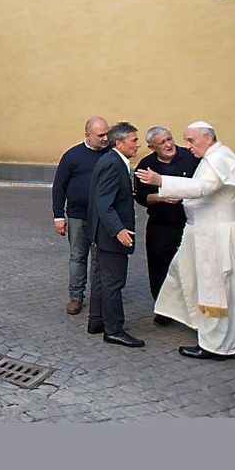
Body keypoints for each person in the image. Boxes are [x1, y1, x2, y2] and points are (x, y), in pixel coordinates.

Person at [135, 121, 235, 360]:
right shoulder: (213, 156)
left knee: (217, 288)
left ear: (208, 138)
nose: (186, 146)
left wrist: (161, 181)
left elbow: (204, 187)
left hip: (215, 236)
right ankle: (202, 327)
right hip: (204, 232)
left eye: (191, 140)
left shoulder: (217, 158)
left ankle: (217, 345)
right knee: (183, 273)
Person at [132, 126, 201, 325]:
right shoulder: (146, 165)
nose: (169, 144)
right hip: (160, 223)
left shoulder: (191, 158)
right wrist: (159, 198)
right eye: (162, 142)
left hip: (189, 221)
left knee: (190, 265)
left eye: (169, 139)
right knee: (159, 266)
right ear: (151, 147)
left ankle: (192, 309)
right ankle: (163, 308)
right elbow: (142, 196)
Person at [86, 121, 144, 347]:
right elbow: (103, 203)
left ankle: (97, 320)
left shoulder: (113, 161)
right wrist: (118, 230)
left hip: (104, 233)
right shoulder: (113, 164)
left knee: (102, 279)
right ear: (119, 143)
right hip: (111, 234)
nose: (138, 145)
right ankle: (114, 329)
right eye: (134, 140)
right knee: (113, 282)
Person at [51, 116, 110, 315]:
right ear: (87, 135)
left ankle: (98, 297)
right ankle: (76, 297)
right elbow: (59, 186)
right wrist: (58, 216)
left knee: (100, 259)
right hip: (77, 216)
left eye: (106, 134)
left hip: (103, 217)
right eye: (100, 135)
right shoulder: (72, 156)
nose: (105, 138)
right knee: (78, 257)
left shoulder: (110, 154)